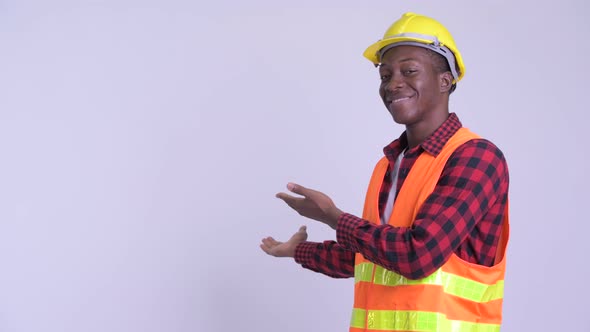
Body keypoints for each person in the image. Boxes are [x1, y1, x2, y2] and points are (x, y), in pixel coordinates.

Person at [260, 12, 510, 332]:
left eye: (409, 71)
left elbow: (418, 255)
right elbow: (372, 256)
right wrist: (298, 250)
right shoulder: (391, 164)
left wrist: (333, 217)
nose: (393, 84)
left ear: (445, 81)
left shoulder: (476, 157)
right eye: (385, 75)